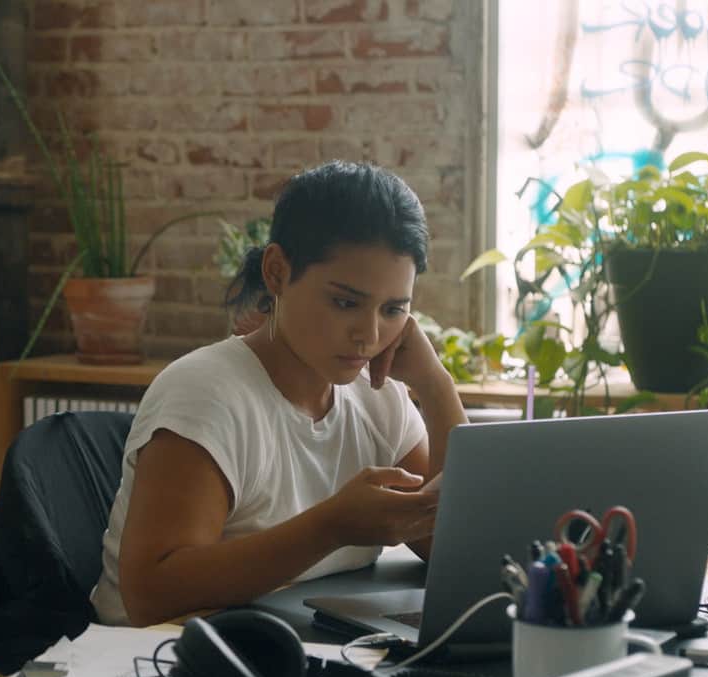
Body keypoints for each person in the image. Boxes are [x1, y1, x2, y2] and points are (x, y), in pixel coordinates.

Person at [89, 160, 468, 627]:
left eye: (393, 309)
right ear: (277, 273)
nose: (368, 335)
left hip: (296, 650)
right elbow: (151, 595)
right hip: (156, 663)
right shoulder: (205, 393)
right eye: (345, 303)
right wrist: (332, 527)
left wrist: (434, 383)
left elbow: (455, 547)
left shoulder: (377, 397)